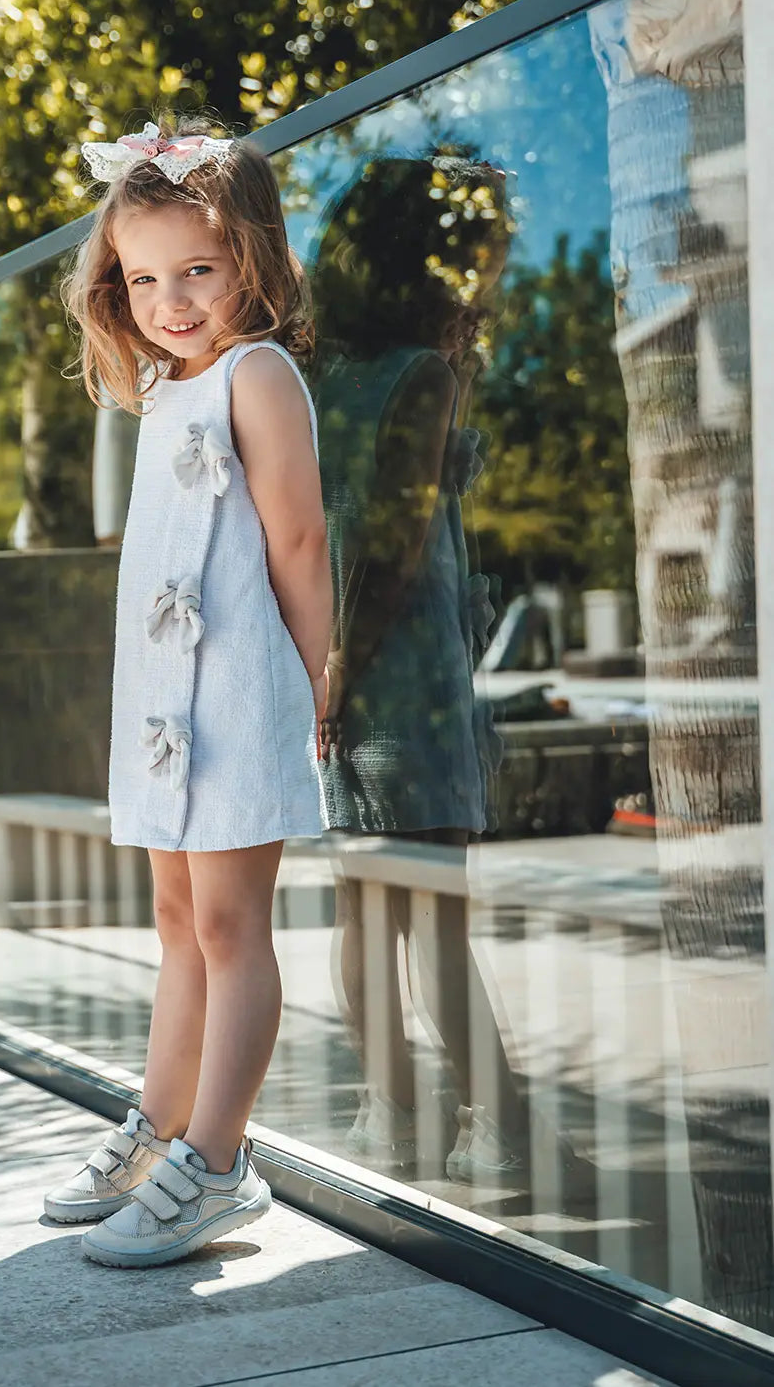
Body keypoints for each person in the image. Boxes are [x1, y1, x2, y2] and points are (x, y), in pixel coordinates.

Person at [45, 117, 331, 1267]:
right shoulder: (165, 388)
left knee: (228, 923)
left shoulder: (258, 375)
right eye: (144, 277)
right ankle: (161, 1131)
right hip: (167, 704)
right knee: (174, 922)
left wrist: (317, 689)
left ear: (250, 258)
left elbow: (300, 545)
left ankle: (220, 1161)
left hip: (241, 693)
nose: (169, 299)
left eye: (197, 272)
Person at [312, 155, 532, 1184]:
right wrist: (350, 668)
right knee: (435, 907)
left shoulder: (318, 377)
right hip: (401, 680)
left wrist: (322, 670)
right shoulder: (418, 376)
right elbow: (396, 543)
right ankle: (498, 1124)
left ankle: (388, 1116)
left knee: (364, 905)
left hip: (339, 669)